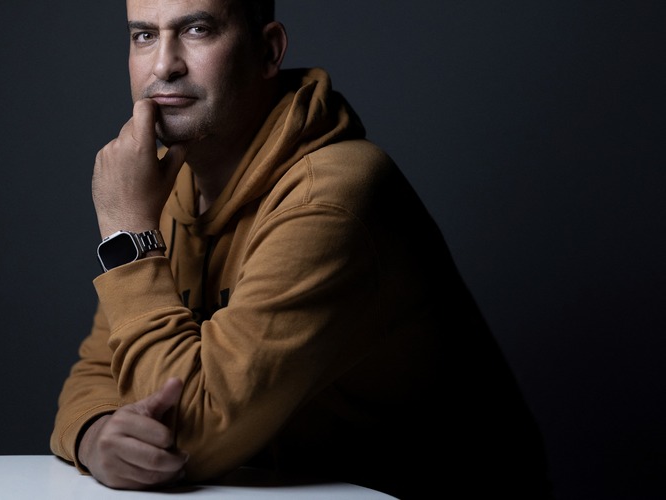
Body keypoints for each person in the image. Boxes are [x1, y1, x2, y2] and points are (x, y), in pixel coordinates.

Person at [50, 0, 554, 498]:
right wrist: (96, 434)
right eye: (144, 35)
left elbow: (191, 435)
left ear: (269, 51)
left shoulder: (331, 196)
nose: (164, 65)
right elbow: (98, 371)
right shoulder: (161, 190)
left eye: (197, 30)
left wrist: (128, 232)